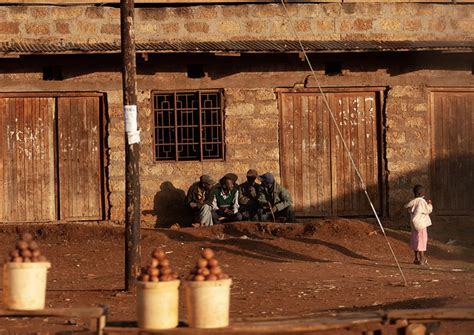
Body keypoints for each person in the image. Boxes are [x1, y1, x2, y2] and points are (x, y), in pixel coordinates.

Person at [404, 184, 433, 266]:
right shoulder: (421, 201)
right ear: (421, 194)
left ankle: (416, 258)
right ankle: (422, 259)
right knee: (422, 241)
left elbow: (408, 208)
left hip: (414, 225)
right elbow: (428, 210)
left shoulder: (413, 201)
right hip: (421, 225)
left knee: (415, 240)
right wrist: (430, 204)